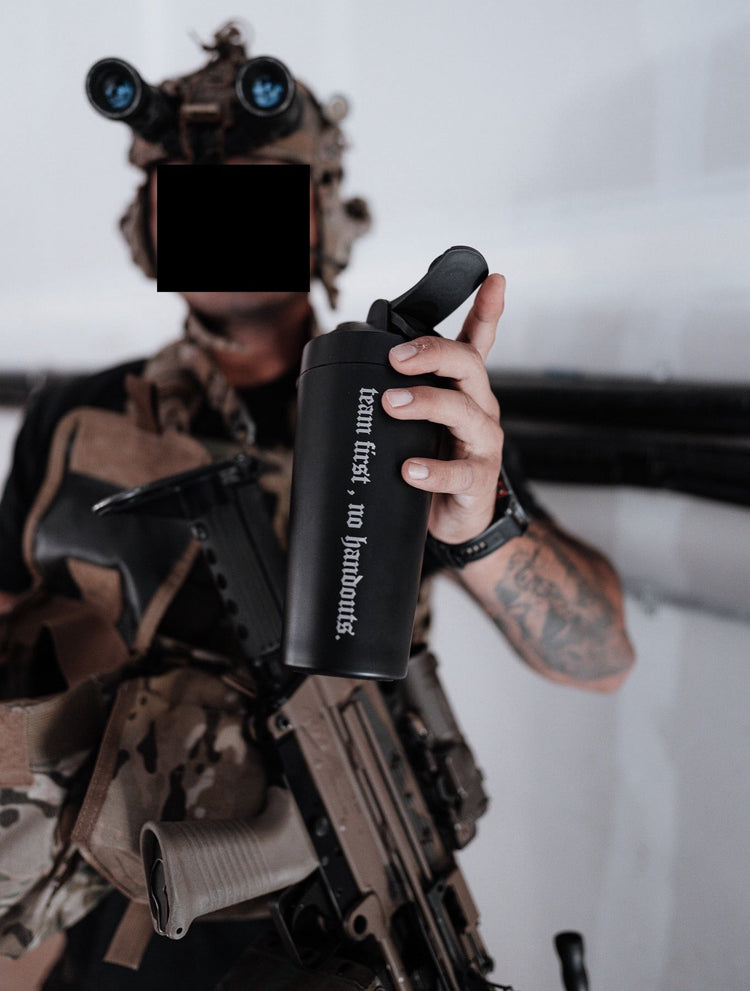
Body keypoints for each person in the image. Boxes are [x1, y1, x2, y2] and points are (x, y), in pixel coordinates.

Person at [0, 21, 634, 989]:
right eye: (186, 189)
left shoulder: (415, 409)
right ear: (147, 226)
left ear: (319, 216)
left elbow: (603, 658)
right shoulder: (71, 415)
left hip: (329, 925)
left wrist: (486, 529)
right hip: (107, 927)